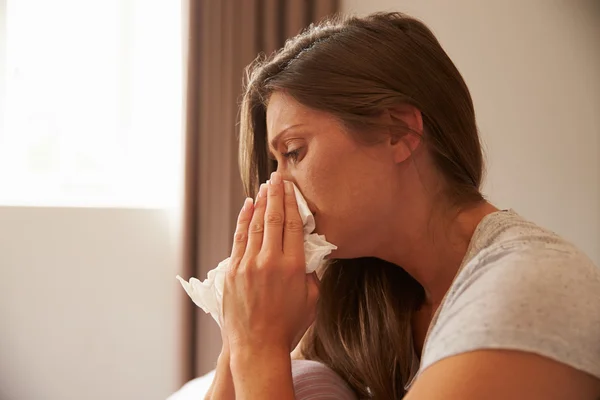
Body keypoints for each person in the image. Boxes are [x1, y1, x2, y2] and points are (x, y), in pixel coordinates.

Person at [204, 12, 600, 399]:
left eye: (294, 151)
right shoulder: (362, 306)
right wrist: (239, 336)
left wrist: (259, 348)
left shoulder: (527, 290)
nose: (278, 189)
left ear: (398, 132)